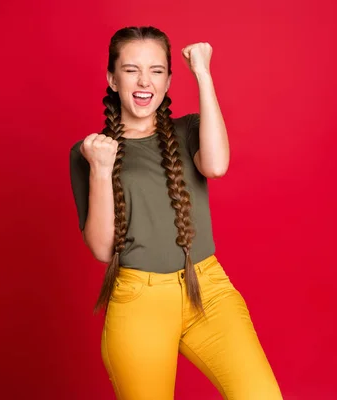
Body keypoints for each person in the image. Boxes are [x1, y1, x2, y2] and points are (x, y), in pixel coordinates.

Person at [69, 26, 283, 400]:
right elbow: (103, 250)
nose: (144, 80)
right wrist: (102, 170)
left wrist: (202, 71)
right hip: (139, 300)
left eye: (156, 70)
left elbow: (216, 166)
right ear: (112, 78)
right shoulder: (89, 151)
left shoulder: (188, 130)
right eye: (131, 69)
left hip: (209, 290)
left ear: (168, 80)